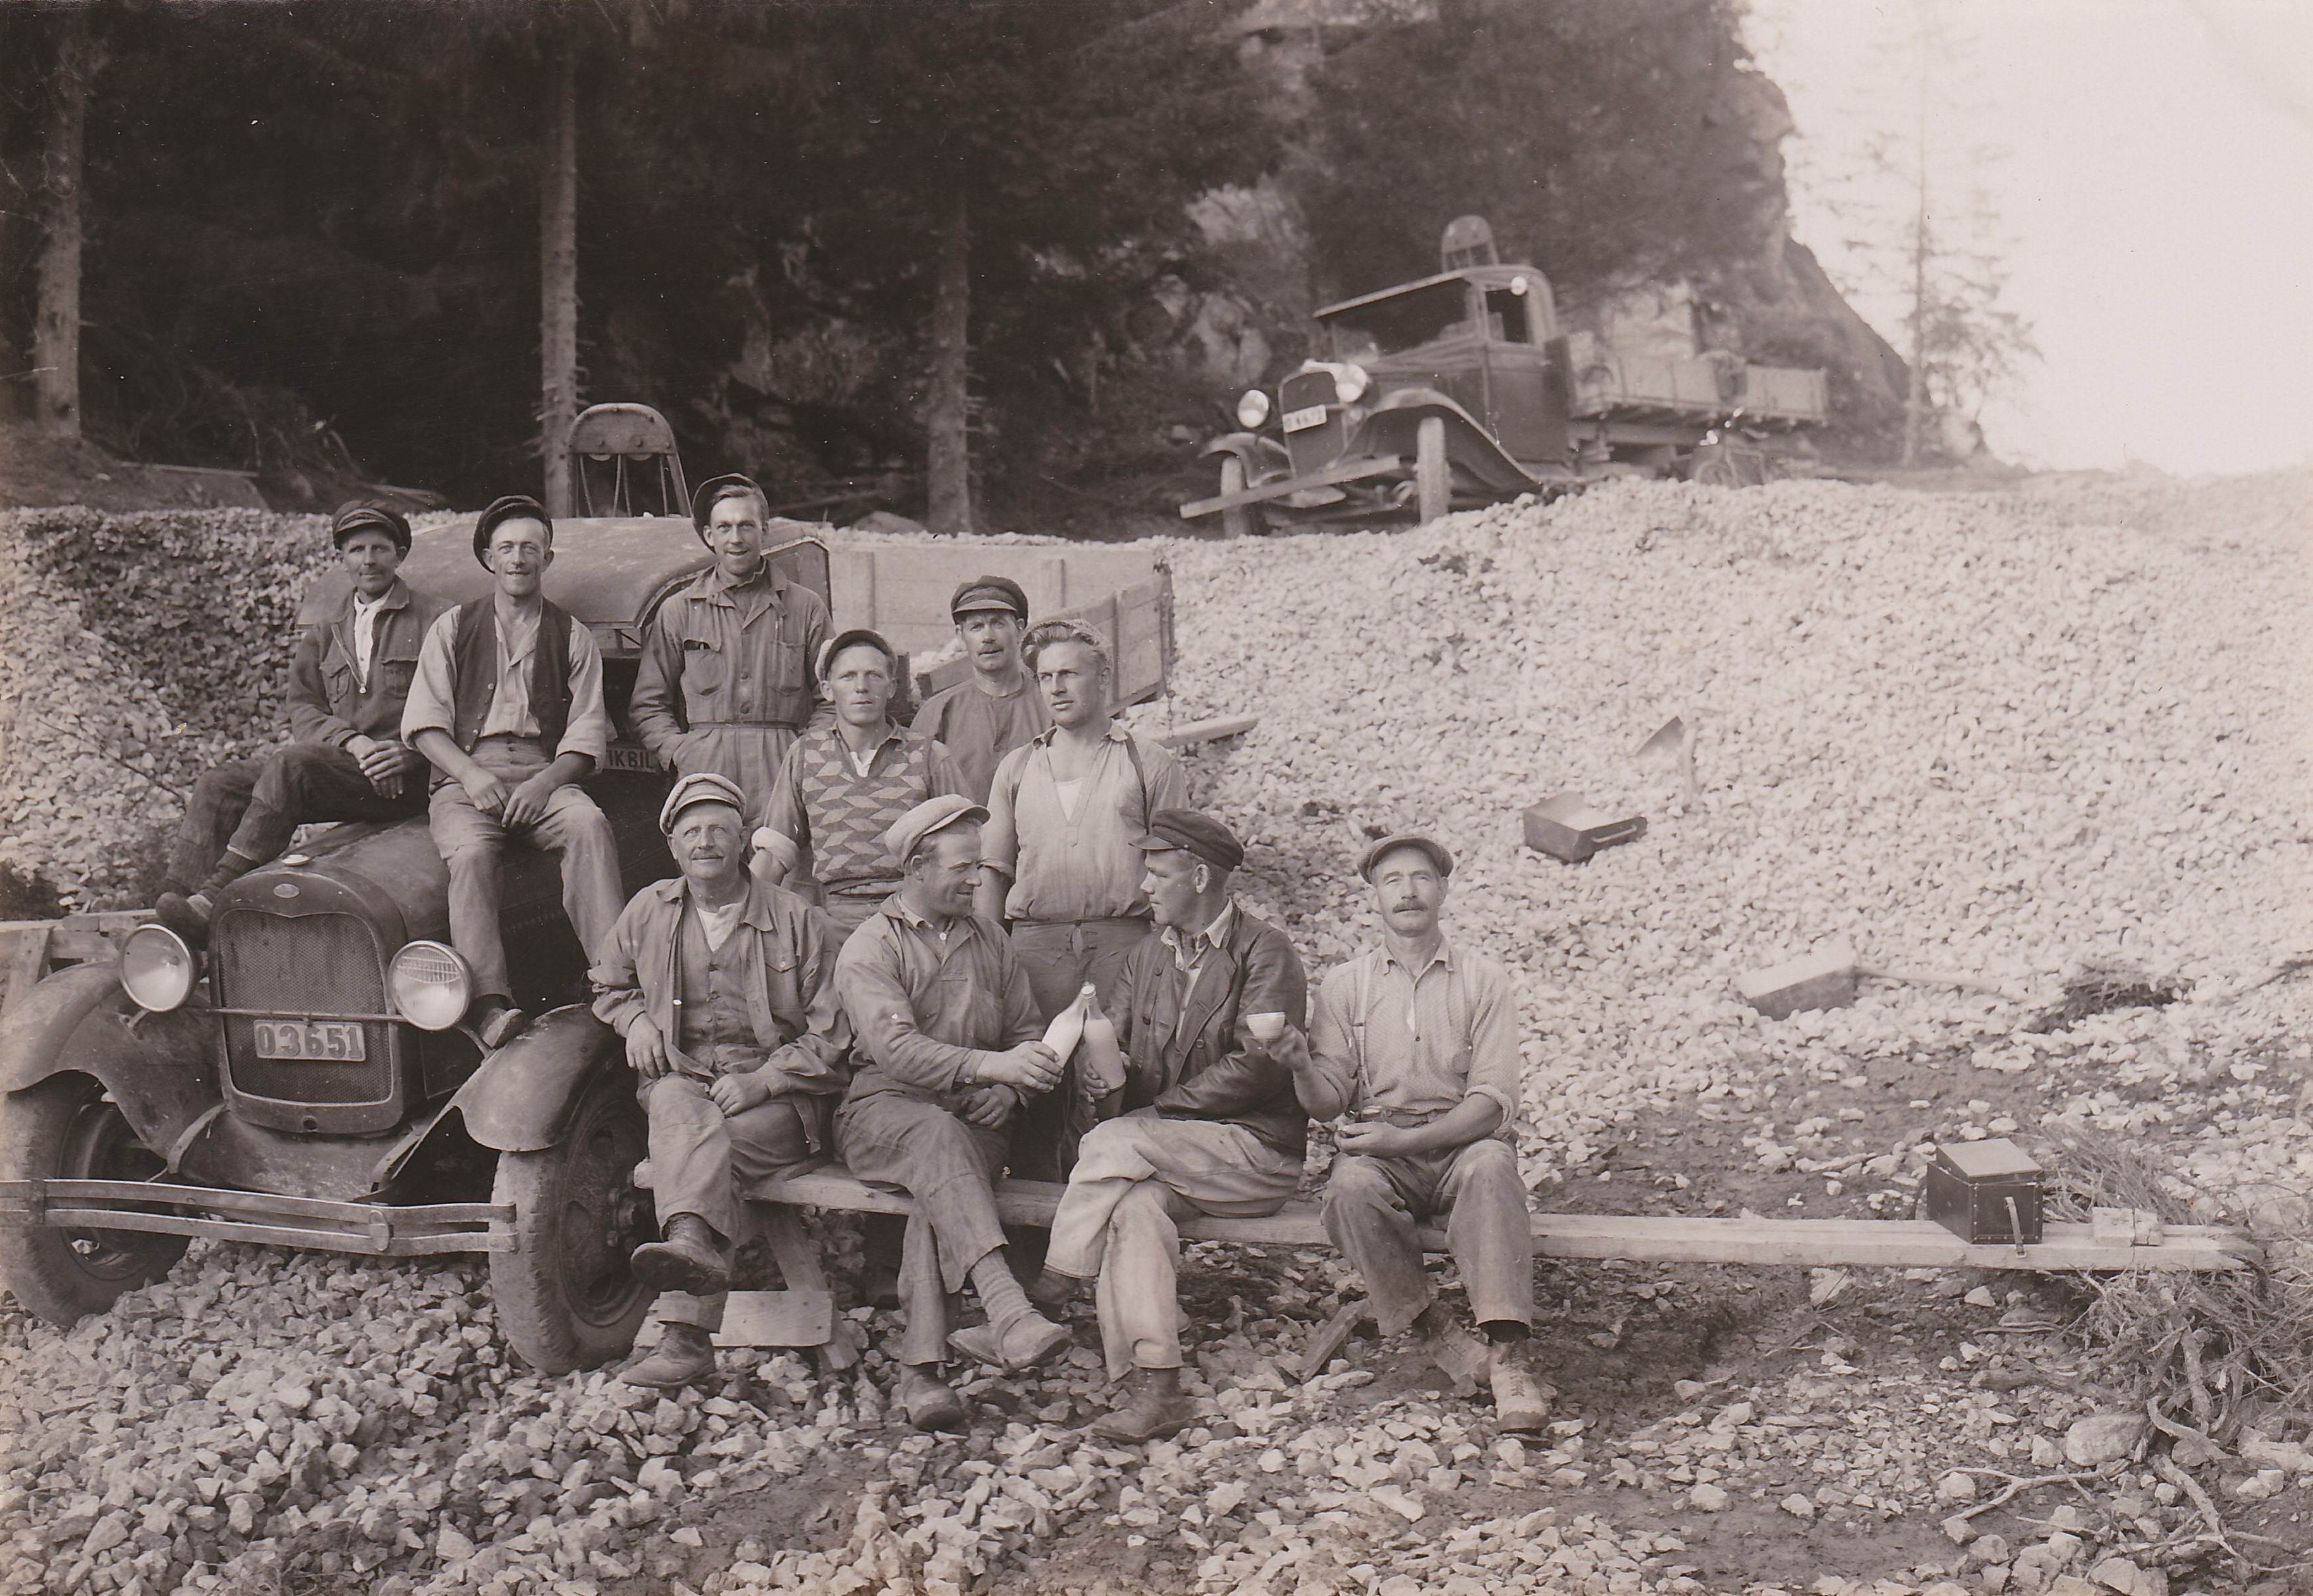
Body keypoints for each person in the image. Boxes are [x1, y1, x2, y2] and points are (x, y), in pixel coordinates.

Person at [1027, 810, 1326, 1442]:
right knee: (1136, 1207)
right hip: (1166, 1154)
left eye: (1158, 874)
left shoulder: (1265, 951)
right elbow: (1118, 1044)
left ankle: (1053, 1284)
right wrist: (1103, 1074)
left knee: (1113, 1141)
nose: (1144, 886)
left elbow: (1256, 1067)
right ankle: (1159, 1386)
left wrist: (1148, 1115)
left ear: (1199, 876)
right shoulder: (1146, 955)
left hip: (1254, 1153)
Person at [591, 772, 851, 1391]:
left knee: (707, 1150)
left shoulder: (799, 919)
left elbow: (834, 1034)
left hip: (780, 1104)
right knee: (674, 1097)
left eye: (718, 830)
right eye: (691, 832)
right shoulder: (648, 910)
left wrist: (765, 1080)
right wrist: (634, 1021)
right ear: (672, 846)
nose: (704, 842)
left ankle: (685, 1333)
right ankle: (690, 1254)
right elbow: (606, 983)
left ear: (743, 841)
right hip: (685, 1085)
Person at [832, 795, 1074, 1430]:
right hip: (882, 1110)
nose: (977, 879)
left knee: (940, 1179)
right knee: (939, 1142)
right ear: (917, 867)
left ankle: (922, 1373)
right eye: (963, 867)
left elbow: (1026, 1032)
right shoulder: (870, 947)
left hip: (974, 1116)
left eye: (979, 866)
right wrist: (993, 1067)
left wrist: (1012, 1091)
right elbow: (897, 1051)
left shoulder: (990, 939)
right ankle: (1007, 1307)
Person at [1305, 832, 1551, 1434]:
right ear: (1374, 895)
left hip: (1461, 1144)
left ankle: (1508, 1355)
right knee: (1348, 1190)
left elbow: (1492, 1102)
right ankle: (1434, 1327)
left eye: (1420, 878)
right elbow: (1328, 1100)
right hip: (1381, 1150)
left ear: (1442, 889)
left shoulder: (1482, 979)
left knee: (1492, 1166)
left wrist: (1407, 1141)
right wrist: (1295, 1065)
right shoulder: (1344, 985)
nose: (1407, 892)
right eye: (1392, 880)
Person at [155, 503, 442, 944]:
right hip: (351, 772)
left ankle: (213, 900)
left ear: (399, 555)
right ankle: (172, 914)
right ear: (342, 559)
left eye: (380, 549)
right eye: (357, 550)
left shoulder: (438, 619)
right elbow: (304, 708)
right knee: (220, 784)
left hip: (409, 779)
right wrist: (353, 742)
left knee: (293, 765)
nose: (368, 560)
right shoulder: (328, 630)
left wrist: (410, 752)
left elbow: (462, 706)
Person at [403, 494, 622, 1049]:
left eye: (530, 547)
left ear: (548, 558)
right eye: (506, 548)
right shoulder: (453, 628)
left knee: (589, 825)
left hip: (543, 772)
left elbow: (586, 736)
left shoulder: (572, 636)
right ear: (488, 558)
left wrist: (544, 784)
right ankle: (487, 1004)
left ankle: (615, 982)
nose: (518, 558)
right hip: (465, 775)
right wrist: (471, 775)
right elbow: (425, 726)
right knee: (471, 854)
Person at [977, 618, 1185, 1179]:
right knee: (1036, 1087)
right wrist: (989, 956)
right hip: (1035, 948)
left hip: (1125, 945)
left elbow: (1177, 866)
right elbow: (993, 870)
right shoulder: (1017, 767)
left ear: (1103, 676)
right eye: (1045, 677)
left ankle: (1119, 1213)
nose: (1057, 687)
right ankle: (1034, 1219)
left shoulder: (1147, 761)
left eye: (1069, 673)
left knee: (1121, 1082)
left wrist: (1169, 957)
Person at [627, 474, 831, 825]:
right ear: (710, 536)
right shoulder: (680, 610)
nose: (736, 538)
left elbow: (832, 698)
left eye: (746, 526)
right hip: (706, 771)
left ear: (764, 530)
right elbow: (648, 704)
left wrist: (807, 753)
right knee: (711, 857)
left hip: (783, 770)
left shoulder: (805, 607)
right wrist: (680, 752)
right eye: (724, 528)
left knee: (782, 859)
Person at [755, 628, 962, 935]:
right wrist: (736, 915)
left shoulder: (930, 756)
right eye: (848, 677)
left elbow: (964, 851)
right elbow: (775, 851)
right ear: (827, 690)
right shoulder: (806, 754)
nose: (861, 687)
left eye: (874, 676)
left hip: (917, 918)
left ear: (892, 687)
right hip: (834, 922)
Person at [910, 575, 1049, 805]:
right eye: (976, 627)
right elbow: (915, 794)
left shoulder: (1049, 704)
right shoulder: (937, 713)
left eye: (998, 623)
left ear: (1019, 629)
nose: (988, 637)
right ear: (960, 636)